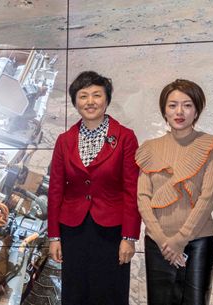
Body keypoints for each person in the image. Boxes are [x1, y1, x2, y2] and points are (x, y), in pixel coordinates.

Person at [47, 71, 141, 305]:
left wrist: (129, 237)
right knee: (75, 292)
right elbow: (56, 190)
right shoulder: (64, 140)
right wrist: (54, 236)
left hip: (112, 231)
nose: (90, 102)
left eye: (96, 95)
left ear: (107, 100)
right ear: (75, 102)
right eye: (83, 96)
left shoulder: (125, 138)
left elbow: (132, 190)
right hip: (73, 230)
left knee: (110, 292)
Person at [136, 79, 213, 305]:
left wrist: (180, 240)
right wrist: (163, 239)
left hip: (197, 241)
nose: (179, 111)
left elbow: (208, 197)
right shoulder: (149, 148)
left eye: (187, 105)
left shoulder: (211, 144)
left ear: (197, 110)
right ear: (164, 110)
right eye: (172, 105)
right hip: (158, 242)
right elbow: (143, 197)